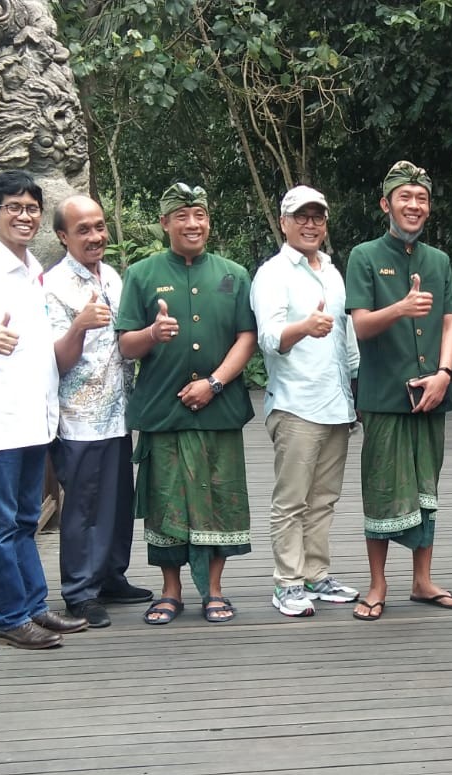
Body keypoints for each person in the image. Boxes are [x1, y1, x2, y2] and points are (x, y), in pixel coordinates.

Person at [0, 170, 85, 649]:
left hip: (35, 418)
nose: (24, 216)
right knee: (0, 526)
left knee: (27, 520)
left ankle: (35, 607)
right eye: (13, 208)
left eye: (31, 209)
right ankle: (10, 616)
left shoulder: (34, 272)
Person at [116, 182, 257, 625]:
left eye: (200, 215)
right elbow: (125, 345)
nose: (192, 224)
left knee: (219, 496)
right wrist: (152, 334)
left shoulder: (233, 274)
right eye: (182, 216)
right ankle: (170, 590)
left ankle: (215, 589)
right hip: (164, 410)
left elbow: (247, 337)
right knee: (166, 499)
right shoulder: (141, 275)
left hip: (219, 408)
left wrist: (214, 383)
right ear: (165, 223)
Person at [344, 161, 452, 621]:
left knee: (425, 487)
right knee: (381, 489)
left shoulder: (438, 261)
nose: (414, 205)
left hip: (431, 393)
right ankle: (377, 584)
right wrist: (400, 307)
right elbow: (360, 325)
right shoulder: (364, 256)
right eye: (405, 197)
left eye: (421, 198)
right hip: (383, 395)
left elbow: (450, 323)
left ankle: (423, 580)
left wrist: (445, 373)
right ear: (386, 204)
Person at [250, 185, 363, 618]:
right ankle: (288, 583)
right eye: (301, 217)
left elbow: (346, 336)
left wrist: (356, 390)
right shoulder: (272, 273)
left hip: (336, 403)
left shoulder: (332, 271)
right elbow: (269, 338)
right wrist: (304, 327)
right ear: (284, 223)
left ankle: (316, 575)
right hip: (296, 403)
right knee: (291, 501)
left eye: (317, 217)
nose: (310, 224)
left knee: (324, 499)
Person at [42, 195, 152, 629]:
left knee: (118, 500)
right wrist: (79, 325)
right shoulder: (52, 286)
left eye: (99, 226)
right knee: (85, 507)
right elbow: (56, 360)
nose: (95, 236)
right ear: (62, 236)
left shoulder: (113, 277)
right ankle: (80, 592)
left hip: (118, 412)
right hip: (79, 416)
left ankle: (110, 577)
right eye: (83, 229)